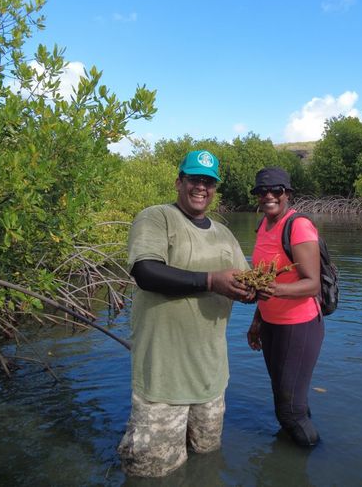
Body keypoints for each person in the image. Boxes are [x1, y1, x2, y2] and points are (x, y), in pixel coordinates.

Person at [118, 149, 252, 478]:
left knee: (206, 464)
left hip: (211, 379)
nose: (201, 187)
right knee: (151, 474)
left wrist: (254, 291)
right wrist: (211, 281)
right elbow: (146, 272)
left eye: (209, 182)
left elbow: (245, 280)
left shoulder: (224, 235)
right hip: (163, 380)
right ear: (179, 181)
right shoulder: (156, 217)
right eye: (194, 179)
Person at [246, 167, 324, 447]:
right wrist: (257, 321)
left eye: (276, 190)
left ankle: (316, 458)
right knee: (287, 397)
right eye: (261, 191)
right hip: (271, 325)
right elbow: (264, 280)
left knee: (289, 411)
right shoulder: (263, 227)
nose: (268, 195)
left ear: (287, 194)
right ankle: (298, 440)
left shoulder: (298, 225)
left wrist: (274, 290)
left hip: (299, 326)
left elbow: (312, 284)